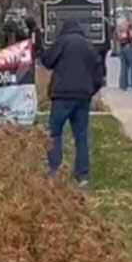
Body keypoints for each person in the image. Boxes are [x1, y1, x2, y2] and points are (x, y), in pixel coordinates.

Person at [40, 19, 105, 186]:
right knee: (81, 136)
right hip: (82, 97)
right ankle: (81, 174)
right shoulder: (89, 46)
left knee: (54, 134)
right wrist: (91, 90)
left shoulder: (62, 42)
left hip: (62, 95)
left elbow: (47, 61)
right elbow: (99, 74)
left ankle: (55, 170)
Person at [116, 18, 132, 91]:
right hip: (130, 46)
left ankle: (123, 85)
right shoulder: (130, 26)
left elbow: (118, 36)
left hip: (122, 46)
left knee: (123, 66)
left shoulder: (119, 25)